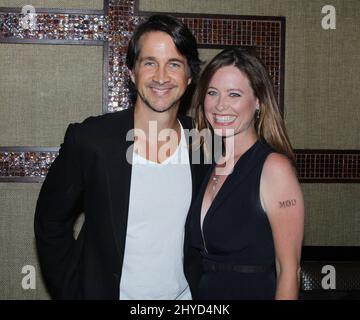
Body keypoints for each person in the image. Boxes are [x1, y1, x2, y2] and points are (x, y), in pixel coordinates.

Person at [34, 14, 208, 300]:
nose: (161, 76)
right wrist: (72, 290)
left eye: (174, 64)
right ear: (131, 72)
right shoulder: (91, 140)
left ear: (189, 77)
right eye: (149, 63)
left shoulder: (203, 142)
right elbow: (49, 222)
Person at [189, 47, 304, 299]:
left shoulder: (274, 168)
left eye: (234, 94)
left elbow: (289, 270)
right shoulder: (209, 163)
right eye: (212, 93)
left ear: (258, 101)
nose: (220, 105)